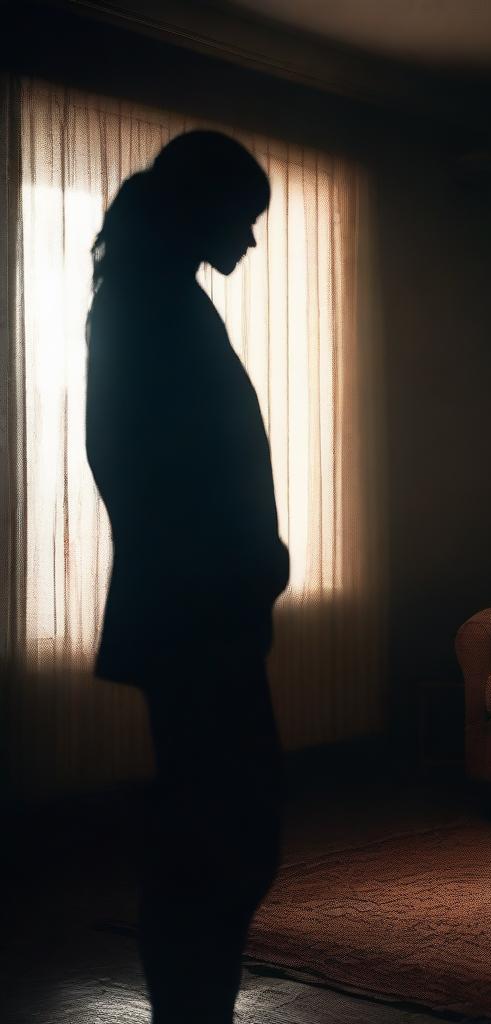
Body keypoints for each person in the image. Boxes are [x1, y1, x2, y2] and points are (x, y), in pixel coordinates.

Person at [85, 130, 290, 1022]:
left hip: (204, 606)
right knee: (221, 836)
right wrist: (229, 563)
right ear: (201, 208)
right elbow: (130, 460)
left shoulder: (160, 297)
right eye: (244, 219)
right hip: (194, 610)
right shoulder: (145, 304)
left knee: (221, 831)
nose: (249, 240)